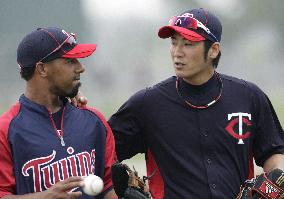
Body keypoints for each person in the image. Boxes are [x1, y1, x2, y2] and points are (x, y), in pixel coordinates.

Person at [106, 8, 284, 198]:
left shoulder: (249, 97)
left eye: (188, 44)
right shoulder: (147, 104)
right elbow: (98, 150)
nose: (177, 52)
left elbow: (275, 153)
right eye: (174, 43)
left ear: (214, 50)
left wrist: (270, 187)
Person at [0, 27, 117, 199]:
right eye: (70, 61)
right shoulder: (7, 130)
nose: (81, 68)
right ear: (42, 69)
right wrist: (45, 197)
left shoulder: (93, 121)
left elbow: (108, 185)